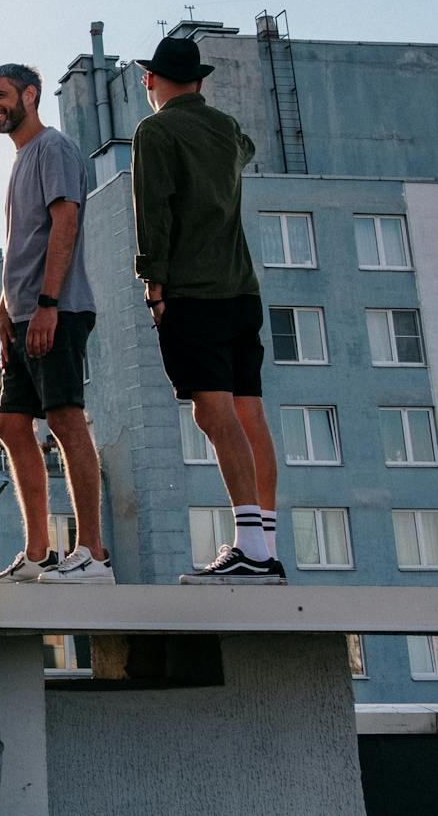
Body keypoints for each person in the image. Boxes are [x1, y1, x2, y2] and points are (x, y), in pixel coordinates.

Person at [132, 36, 286, 584]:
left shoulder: (156, 130)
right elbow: (246, 149)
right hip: (241, 291)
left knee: (212, 412)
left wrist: (154, 283)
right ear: (199, 81)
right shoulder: (225, 129)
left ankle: (248, 549)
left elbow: (153, 212)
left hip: (192, 292)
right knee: (250, 412)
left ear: (150, 80)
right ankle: (265, 545)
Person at [0, 64, 112, 585]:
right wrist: (3, 306)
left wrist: (48, 303)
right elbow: (25, 240)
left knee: (64, 419)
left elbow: (66, 221)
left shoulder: (53, 148)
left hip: (54, 309)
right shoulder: (22, 158)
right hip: (21, 313)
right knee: (12, 425)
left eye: (1, 94)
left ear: (30, 96)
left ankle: (93, 554)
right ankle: (38, 553)